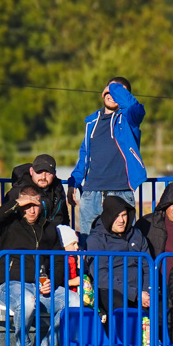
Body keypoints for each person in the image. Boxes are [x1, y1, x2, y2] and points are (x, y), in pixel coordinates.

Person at [0, 186, 76, 346]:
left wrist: (52, 281)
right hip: (9, 285)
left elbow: (59, 261)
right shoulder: (8, 224)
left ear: (41, 205)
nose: (31, 210)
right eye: (27, 205)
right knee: (27, 301)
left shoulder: (50, 228)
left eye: (35, 205)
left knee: (74, 301)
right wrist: (17, 203)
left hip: (40, 286)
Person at [67, 77, 146, 234]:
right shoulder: (91, 122)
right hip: (91, 194)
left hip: (121, 192)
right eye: (109, 89)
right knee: (88, 245)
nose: (113, 94)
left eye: (118, 90)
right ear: (103, 93)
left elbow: (132, 106)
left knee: (123, 243)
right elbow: (84, 156)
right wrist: (73, 182)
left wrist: (114, 88)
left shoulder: (130, 119)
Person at [86, 196, 150, 316]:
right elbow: (102, 276)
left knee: (168, 307)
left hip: (141, 293)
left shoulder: (136, 234)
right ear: (108, 216)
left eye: (124, 215)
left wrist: (147, 292)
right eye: (116, 216)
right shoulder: (96, 239)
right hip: (112, 291)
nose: (121, 220)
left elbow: (148, 267)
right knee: (122, 312)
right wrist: (134, 294)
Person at [6, 154, 69, 226]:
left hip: (54, 231)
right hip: (29, 233)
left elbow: (64, 217)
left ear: (54, 174)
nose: (43, 177)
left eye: (48, 173)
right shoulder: (19, 191)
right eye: (39, 172)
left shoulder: (58, 189)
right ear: (31, 171)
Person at [57, 225, 81, 292]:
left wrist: (79, 265)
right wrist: (70, 282)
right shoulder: (59, 260)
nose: (77, 247)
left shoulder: (73, 258)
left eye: (77, 243)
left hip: (73, 292)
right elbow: (56, 281)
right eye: (73, 244)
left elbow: (77, 277)